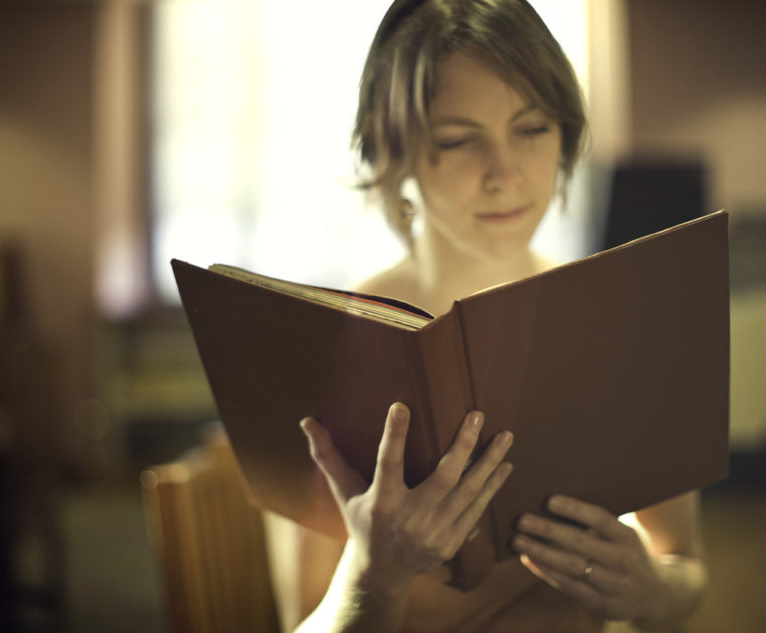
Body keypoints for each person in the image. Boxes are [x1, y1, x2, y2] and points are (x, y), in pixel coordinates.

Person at [263, 1, 708, 631]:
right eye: (459, 140)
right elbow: (298, 621)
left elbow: (687, 569)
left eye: (531, 129)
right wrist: (372, 575)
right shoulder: (333, 345)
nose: (507, 173)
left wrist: (649, 592)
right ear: (394, 148)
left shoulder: (616, 320)